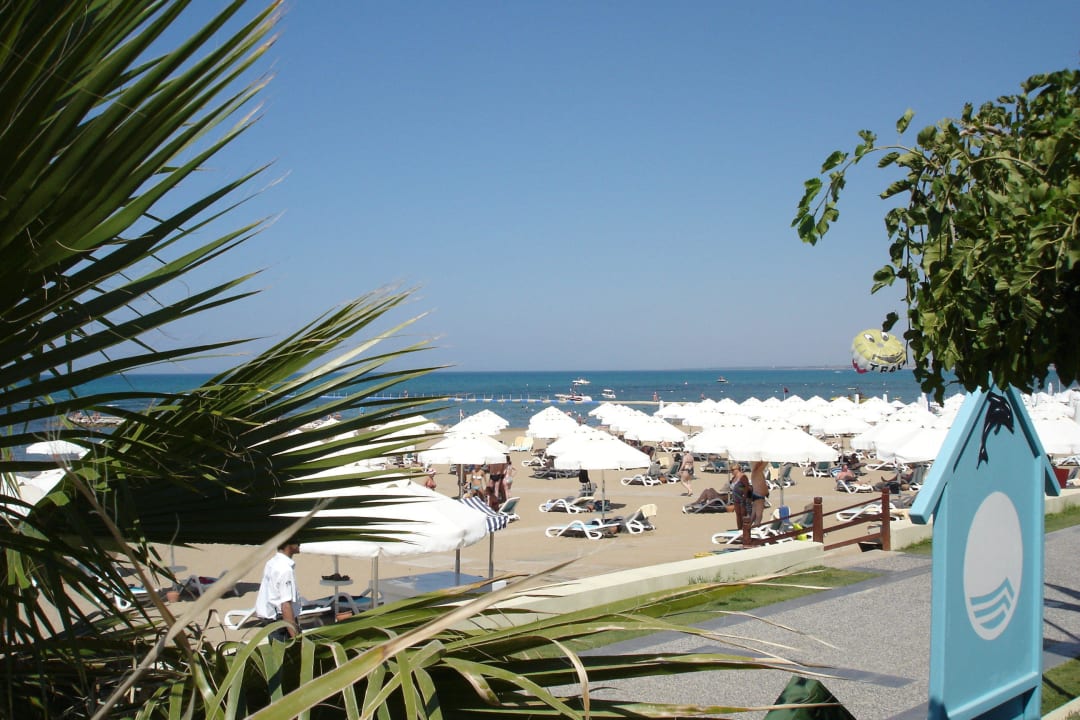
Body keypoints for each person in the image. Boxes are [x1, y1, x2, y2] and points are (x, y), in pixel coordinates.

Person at [254, 538, 301, 642]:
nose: (300, 543)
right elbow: (285, 606)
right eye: (298, 540)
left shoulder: (271, 562)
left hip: (270, 621)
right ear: (289, 544)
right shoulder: (285, 570)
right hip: (281, 623)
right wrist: (296, 639)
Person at [729, 464, 751, 530]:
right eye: (731, 470)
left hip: (742, 499)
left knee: (743, 515)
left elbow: (747, 487)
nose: (731, 472)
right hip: (736, 499)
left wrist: (744, 496)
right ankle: (739, 529)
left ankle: (745, 530)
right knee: (738, 515)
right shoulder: (733, 478)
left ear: (737, 469)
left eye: (732, 470)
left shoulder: (743, 476)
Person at [749, 460, 770, 527]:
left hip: (757, 495)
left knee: (753, 515)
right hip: (759, 496)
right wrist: (767, 459)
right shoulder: (757, 471)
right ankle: (755, 528)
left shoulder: (756, 472)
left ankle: (748, 529)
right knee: (759, 515)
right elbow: (760, 465)